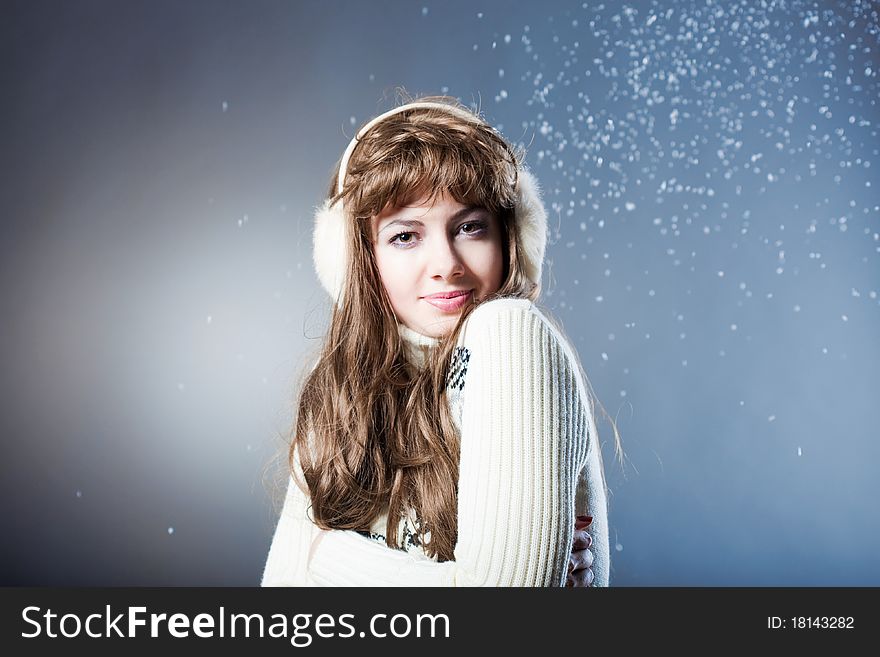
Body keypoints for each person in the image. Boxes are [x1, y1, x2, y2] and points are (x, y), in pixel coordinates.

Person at [261, 93, 620, 586]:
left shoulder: (510, 333)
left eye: (470, 227)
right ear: (360, 259)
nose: (446, 264)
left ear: (510, 238)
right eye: (405, 236)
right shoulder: (342, 390)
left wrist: (323, 558)